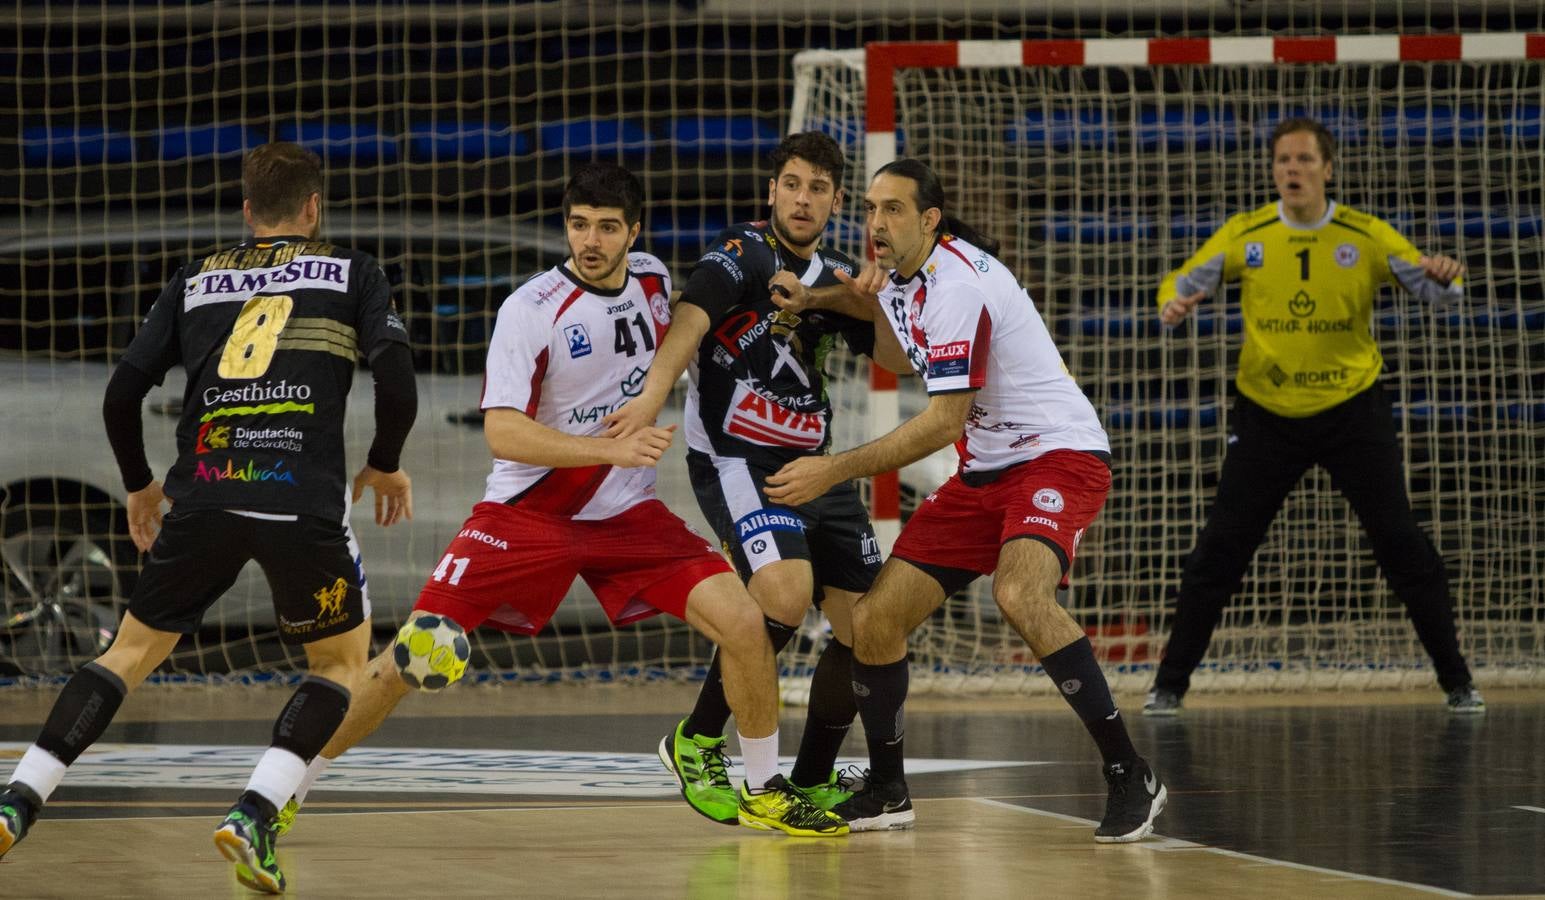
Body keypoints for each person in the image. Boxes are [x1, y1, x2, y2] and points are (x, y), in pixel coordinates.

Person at [274, 162, 847, 839]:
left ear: (633, 233)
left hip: (627, 517)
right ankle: (282, 792)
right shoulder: (531, 309)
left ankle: (763, 789)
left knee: (747, 626)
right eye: (579, 226)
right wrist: (610, 450)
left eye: (608, 228)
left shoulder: (657, 279)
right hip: (526, 515)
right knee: (411, 658)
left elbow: (702, 339)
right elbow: (502, 431)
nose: (591, 241)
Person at [0, 141, 418, 894]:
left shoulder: (197, 277)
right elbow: (397, 378)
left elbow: (121, 394)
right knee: (337, 666)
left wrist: (139, 486)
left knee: (126, 655)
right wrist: (383, 460)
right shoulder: (354, 271)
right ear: (314, 209)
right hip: (300, 503)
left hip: (205, 494)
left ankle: (21, 796)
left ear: (247, 211)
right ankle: (255, 812)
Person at [764, 158, 1167, 842]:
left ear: (929, 219)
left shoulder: (959, 283)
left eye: (892, 210)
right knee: (872, 621)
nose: (875, 224)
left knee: (1019, 595)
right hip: (983, 473)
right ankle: (888, 791)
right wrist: (828, 300)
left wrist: (832, 470)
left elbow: (942, 423)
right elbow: (894, 357)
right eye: (868, 209)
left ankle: (1131, 774)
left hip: (1056, 456)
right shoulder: (900, 275)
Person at [603, 131, 911, 824]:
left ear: (836, 202)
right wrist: (654, 392)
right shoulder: (740, 252)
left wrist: (864, 302)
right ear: (771, 191)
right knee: (783, 592)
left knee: (865, 627)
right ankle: (698, 737)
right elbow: (690, 316)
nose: (803, 199)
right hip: (738, 458)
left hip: (816, 463)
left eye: (819, 189)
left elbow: (895, 361)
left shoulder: (834, 274)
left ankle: (807, 776)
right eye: (792, 185)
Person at [1144, 117, 1483, 717]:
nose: (1291, 170)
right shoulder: (1247, 233)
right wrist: (1172, 301)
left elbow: (1434, 288)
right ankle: (1168, 686)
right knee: (1220, 548)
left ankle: (1458, 681)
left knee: (1401, 542)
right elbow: (1180, 279)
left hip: (1353, 408)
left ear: (1328, 168)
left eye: (1303, 160)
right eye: (1282, 161)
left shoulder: (1366, 234)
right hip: (1268, 413)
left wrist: (1445, 279)